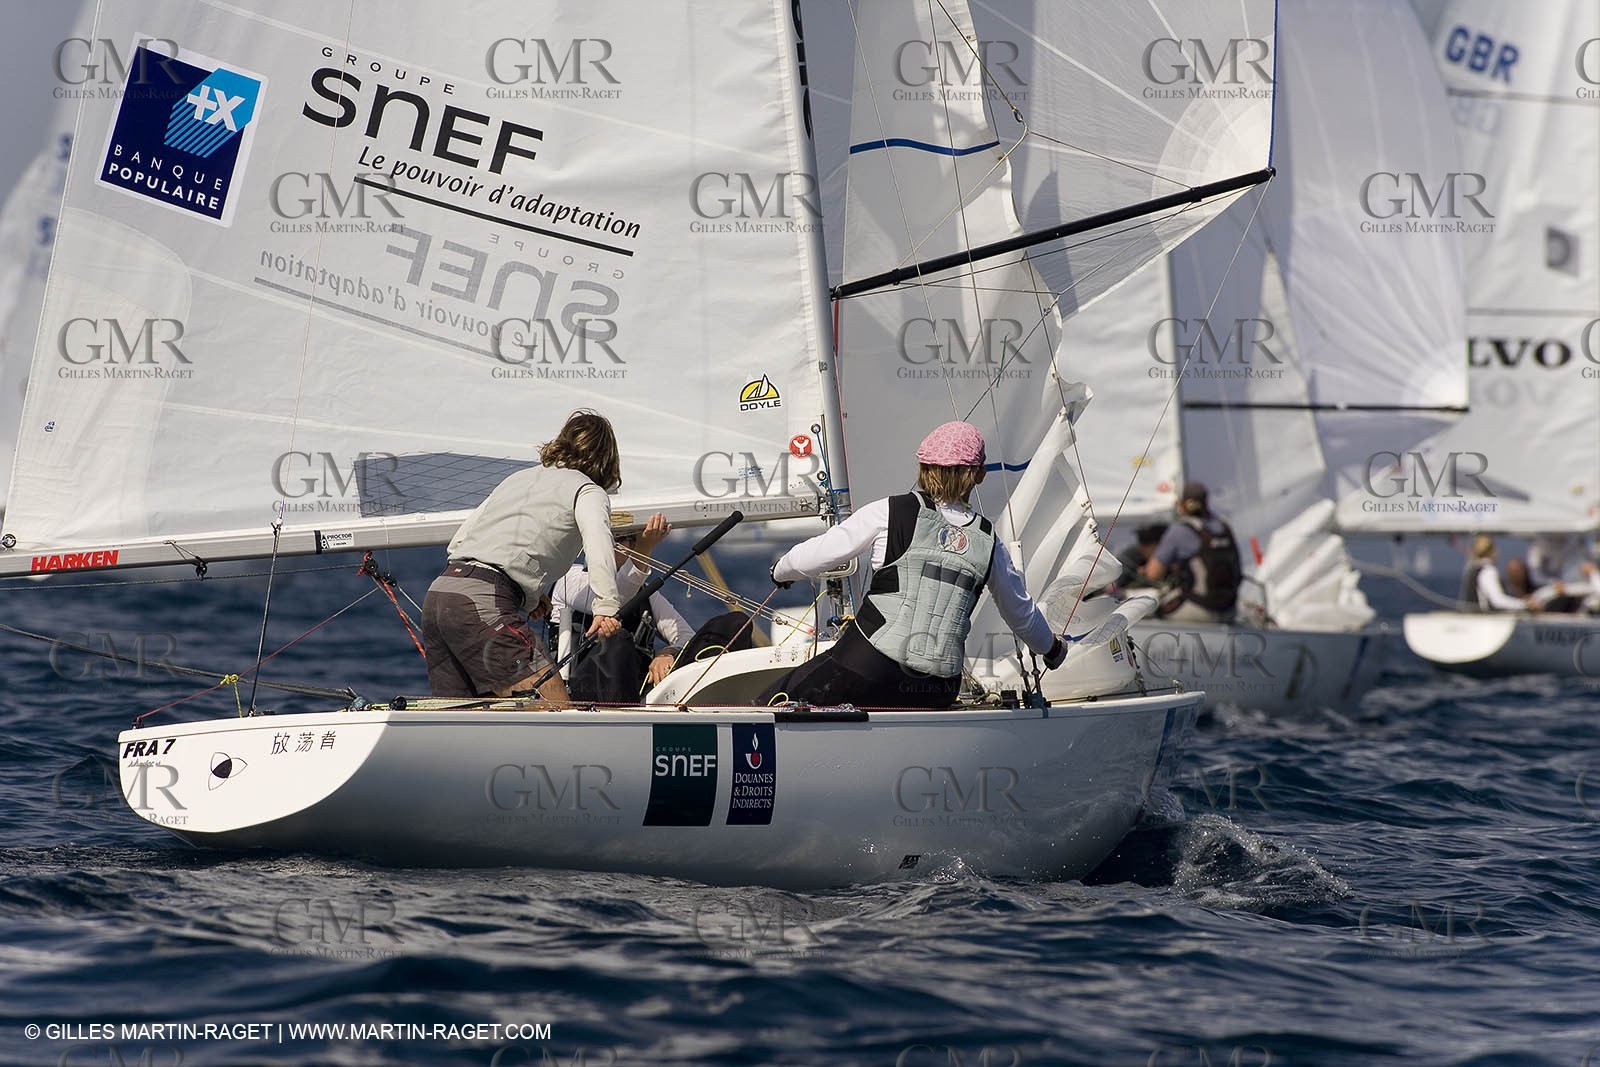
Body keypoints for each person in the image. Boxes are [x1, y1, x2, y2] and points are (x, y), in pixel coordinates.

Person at [759, 421, 1066, 710]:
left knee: (773, 700)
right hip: (938, 689)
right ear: (979, 475)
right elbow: (1021, 614)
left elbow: (817, 556)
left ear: (922, 468)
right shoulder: (990, 541)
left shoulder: (890, 512)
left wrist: (781, 571)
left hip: (868, 666)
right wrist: (1052, 649)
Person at [421, 410, 624, 699]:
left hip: (441, 594)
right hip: (481, 603)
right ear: (607, 458)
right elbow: (598, 542)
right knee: (555, 711)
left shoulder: (518, 479)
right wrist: (606, 607)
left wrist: (527, 594)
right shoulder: (587, 490)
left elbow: (460, 541)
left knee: (462, 720)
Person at [552, 515, 758, 702]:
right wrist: (645, 548)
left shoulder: (647, 595)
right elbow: (614, 599)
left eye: (629, 539)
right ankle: (621, 722)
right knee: (617, 639)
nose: (625, 546)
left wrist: (666, 653)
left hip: (642, 694)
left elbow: (685, 636)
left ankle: (713, 704)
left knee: (735, 623)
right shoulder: (568, 579)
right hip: (588, 693)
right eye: (615, 538)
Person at [1141, 481, 1242, 623]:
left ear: (1182, 504)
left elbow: (1153, 574)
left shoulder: (1179, 530)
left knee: (1154, 611)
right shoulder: (1224, 527)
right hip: (1230, 611)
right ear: (1206, 502)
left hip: (1199, 609)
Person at [1459, 534, 1534, 612]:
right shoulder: (1488, 570)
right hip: (1483, 620)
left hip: (1469, 616)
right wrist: (1525, 605)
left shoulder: (1471, 570)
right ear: (1493, 551)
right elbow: (1497, 601)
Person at [1113, 523, 1167, 593]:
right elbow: (1117, 583)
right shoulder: (1128, 558)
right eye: (1143, 543)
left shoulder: (1166, 556)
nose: (1142, 547)